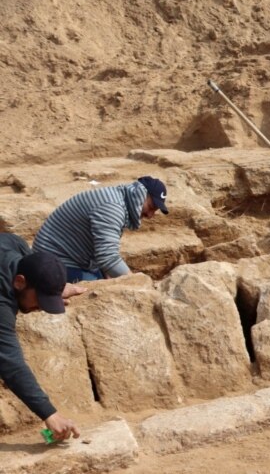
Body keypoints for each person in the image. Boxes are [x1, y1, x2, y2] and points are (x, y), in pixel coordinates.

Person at [0, 234, 80, 442]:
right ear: (19, 282)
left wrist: (51, 290)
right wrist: (49, 414)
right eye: (41, 300)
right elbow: (10, 363)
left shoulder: (12, 246)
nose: (42, 307)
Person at [32, 177, 168, 282]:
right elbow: (108, 258)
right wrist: (138, 282)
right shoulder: (112, 208)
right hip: (51, 261)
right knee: (99, 290)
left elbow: (104, 253)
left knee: (108, 281)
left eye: (154, 211)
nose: (150, 215)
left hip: (72, 259)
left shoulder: (119, 200)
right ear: (140, 194)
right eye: (151, 207)